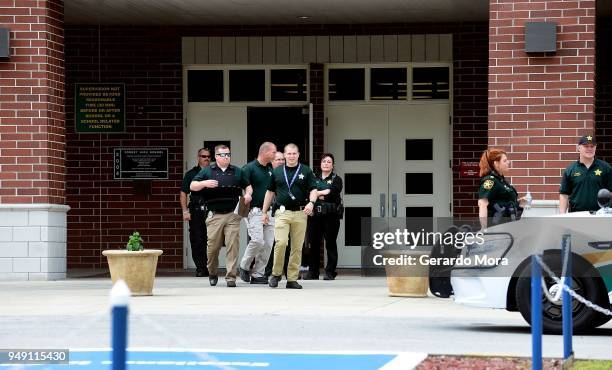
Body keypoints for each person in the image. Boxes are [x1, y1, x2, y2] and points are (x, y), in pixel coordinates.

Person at [190, 145, 251, 287]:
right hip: (215, 215)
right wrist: (204, 183)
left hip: (233, 214)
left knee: (233, 246)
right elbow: (192, 186)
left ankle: (231, 277)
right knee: (213, 247)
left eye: (228, 154)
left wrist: (248, 194)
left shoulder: (237, 171)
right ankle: (212, 272)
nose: (226, 157)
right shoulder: (207, 171)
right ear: (216, 156)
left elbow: (248, 186)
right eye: (223, 155)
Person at [262, 143, 318, 289]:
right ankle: (275, 274)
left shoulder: (306, 171)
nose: (291, 156)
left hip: (300, 213)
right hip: (282, 212)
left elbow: (314, 189)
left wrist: (311, 203)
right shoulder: (277, 171)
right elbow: (270, 192)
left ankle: (292, 279)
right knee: (281, 243)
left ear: (298, 155)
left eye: (294, 153)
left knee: (297, 247)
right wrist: (264, 212)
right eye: (289, 154)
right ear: (284, 155)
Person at [238, 142, 277, 285]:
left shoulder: (270, 170)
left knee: (267, 244)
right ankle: (244, 265)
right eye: (273, 152)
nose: (275, 154)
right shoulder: (249, 168)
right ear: (265, 152)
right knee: (257, 240)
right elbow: (241, 185)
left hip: (270, 212)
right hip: (254, 211)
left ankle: (258, 274)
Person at [306, 153, 343, 281]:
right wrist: (322, 193)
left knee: (330, 243)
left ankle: (330, 272)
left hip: (331, 216)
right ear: (320, 164)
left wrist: (317, 193)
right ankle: (313, 272)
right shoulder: (314, 178)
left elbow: (332, 193)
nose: (326, 164)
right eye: (324, 161)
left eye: (329, 162)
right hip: (315, 216)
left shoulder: (336, 179)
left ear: (333, 165)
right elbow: (308, 192)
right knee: (314, 244)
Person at [559, 135, 612, 213]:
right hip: (576, 215)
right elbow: (564, 195)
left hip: (600, 215)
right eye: (586, 146)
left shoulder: (606, 168)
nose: (589, 149)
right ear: (579, 148)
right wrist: (562, 216)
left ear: (595, 148)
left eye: (592, 146)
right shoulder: (570, 170)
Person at [180, 147, 211, 277]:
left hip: (211, 210)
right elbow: (183, 193)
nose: (207, 159)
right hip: (196, 209)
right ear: (198, 157)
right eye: (204, 156)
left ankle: (211, 267)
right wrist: (185, 211)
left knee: (212, 240)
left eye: (209, 156)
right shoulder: (191, 174)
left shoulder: (214, 172)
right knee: (197, 239)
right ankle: (201, 268)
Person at [477, 148, 525, 229]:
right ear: (496, 163)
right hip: (497, 228)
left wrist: (520, 201)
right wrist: (484, 229)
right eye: (505, 161)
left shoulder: (501, 181)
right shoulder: (490, 180)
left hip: (508, 225)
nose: (508, 162)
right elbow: (482, 204)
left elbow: (504, 202)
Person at [264, 151, 290, 278]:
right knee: (270, 243)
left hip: (284, 213)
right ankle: (268, 271)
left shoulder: (288, 173)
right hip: (268, 212)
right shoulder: (268, 174)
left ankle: (285, 271)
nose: (280, 162)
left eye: (282, 159)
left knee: (282, 243)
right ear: (271, 161)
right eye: (277, 159)